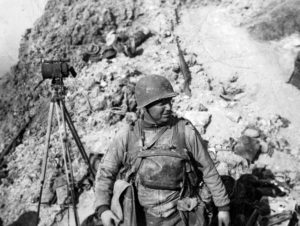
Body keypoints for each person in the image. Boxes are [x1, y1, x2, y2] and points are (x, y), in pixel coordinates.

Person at [94, 75, 230, 226]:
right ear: (146, 107)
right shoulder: (128, 134)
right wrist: (103, 208)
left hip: (181, 215)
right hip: (141, 217)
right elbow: (106, 172)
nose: (169, 108)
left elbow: (208, 170)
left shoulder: (185, 131)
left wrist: (223, 207)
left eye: (169, 101)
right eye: (161, 103)